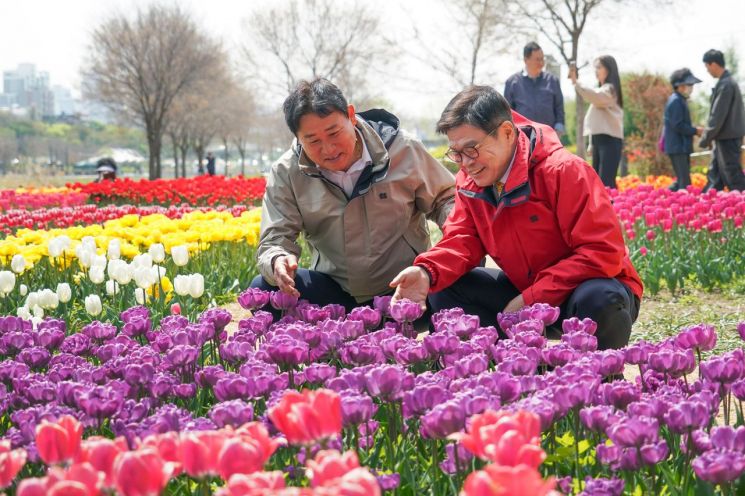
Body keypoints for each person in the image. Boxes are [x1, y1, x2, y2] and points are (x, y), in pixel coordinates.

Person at [389, 86, 643, 350]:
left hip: (583, 291)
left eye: (472, 149)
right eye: (456, 153)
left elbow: (602, 252)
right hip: (526, 290)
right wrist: (427, 270)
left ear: (508, 132)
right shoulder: (471, 181)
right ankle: (517, 371)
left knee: (600, 298)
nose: (465, 163)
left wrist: (533, 298)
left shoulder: (564, 171)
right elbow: (463, 239)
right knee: (445, 286)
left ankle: (603, 376)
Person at [251, 78, 456, 312]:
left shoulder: (402, 150)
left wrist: (446, 254)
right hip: (335, 294)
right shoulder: (287, 171)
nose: (328, 149)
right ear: (298, 138)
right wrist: (277, 260)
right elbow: (274, 238)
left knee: (465, 281)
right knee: (263, 290)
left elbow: (446, 200)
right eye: (313, 140)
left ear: (350, 115)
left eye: (334, 132)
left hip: (406, 288)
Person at [569, 55, 624, 189]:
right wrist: (591, 144)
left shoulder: (609, 90)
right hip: (601, 140)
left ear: (609, 70)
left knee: (606, 183)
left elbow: (595, 96)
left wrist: (577, 82)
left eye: (599, 67)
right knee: (599, 183)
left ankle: (614, 209)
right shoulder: (603, 90)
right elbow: (597, 122)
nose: (596, 71)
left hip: (610, 141)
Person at [700, 49, 745, 192]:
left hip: (728, 139)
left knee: (733, 176)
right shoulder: (727, 83)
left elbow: (717, 116)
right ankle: (708, 207)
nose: (707, 71)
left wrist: (705, 138)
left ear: (713, 64)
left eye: (707, 67)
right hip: (724, 138)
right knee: (715, 176)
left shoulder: (726, 85)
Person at [504, 42, 565, 135]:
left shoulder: (553, 81)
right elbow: (507, 113)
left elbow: (559, 107)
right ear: (526, 60)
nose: (541, 63)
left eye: (542, 59)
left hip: (548, 137)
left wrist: (559, 128)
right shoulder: (512, 83)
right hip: (522, 138)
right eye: (537, 59)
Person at [663, 68, 703, 191]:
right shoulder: (676, 101)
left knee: (682, 181)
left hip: (680, 146)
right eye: (689, 84)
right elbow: (678, 125)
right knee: (685, 183)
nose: (691, 87)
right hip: (677, 146)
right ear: (679, 86)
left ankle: (664, 196)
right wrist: (695, 130)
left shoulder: (680, 100)